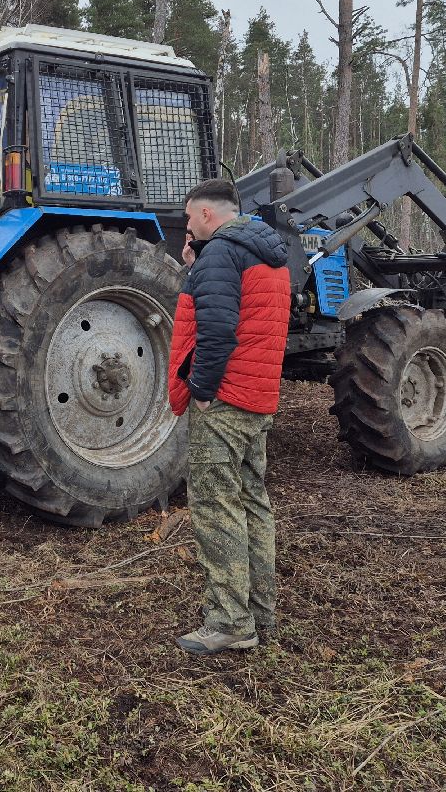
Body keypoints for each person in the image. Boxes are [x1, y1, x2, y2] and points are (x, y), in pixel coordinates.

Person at [167, 178, 291, 655]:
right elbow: (245, 315)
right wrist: (195, 271)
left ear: (206, 215)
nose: (187, 226)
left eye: (189, 217)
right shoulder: (265, 252)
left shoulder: (221, 253)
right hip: (257, 396)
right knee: (253, 502)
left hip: (224, 400)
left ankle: (230, 622)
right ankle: (261, 613)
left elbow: (216, 329)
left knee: (216, 508)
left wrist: (201, 390)